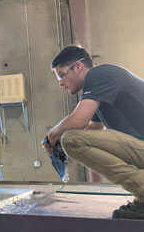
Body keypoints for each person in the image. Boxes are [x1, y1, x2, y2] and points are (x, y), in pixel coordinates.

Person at [44, 45, 144, 220]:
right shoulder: (102, 89)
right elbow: (93, 129)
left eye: (62, 75)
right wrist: (58, 140)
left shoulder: (99, 75)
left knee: (72, 140)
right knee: (69, 139)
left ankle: (142, 188)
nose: (60, 83)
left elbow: (78, 121)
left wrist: (53, 134)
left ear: (78, 66)